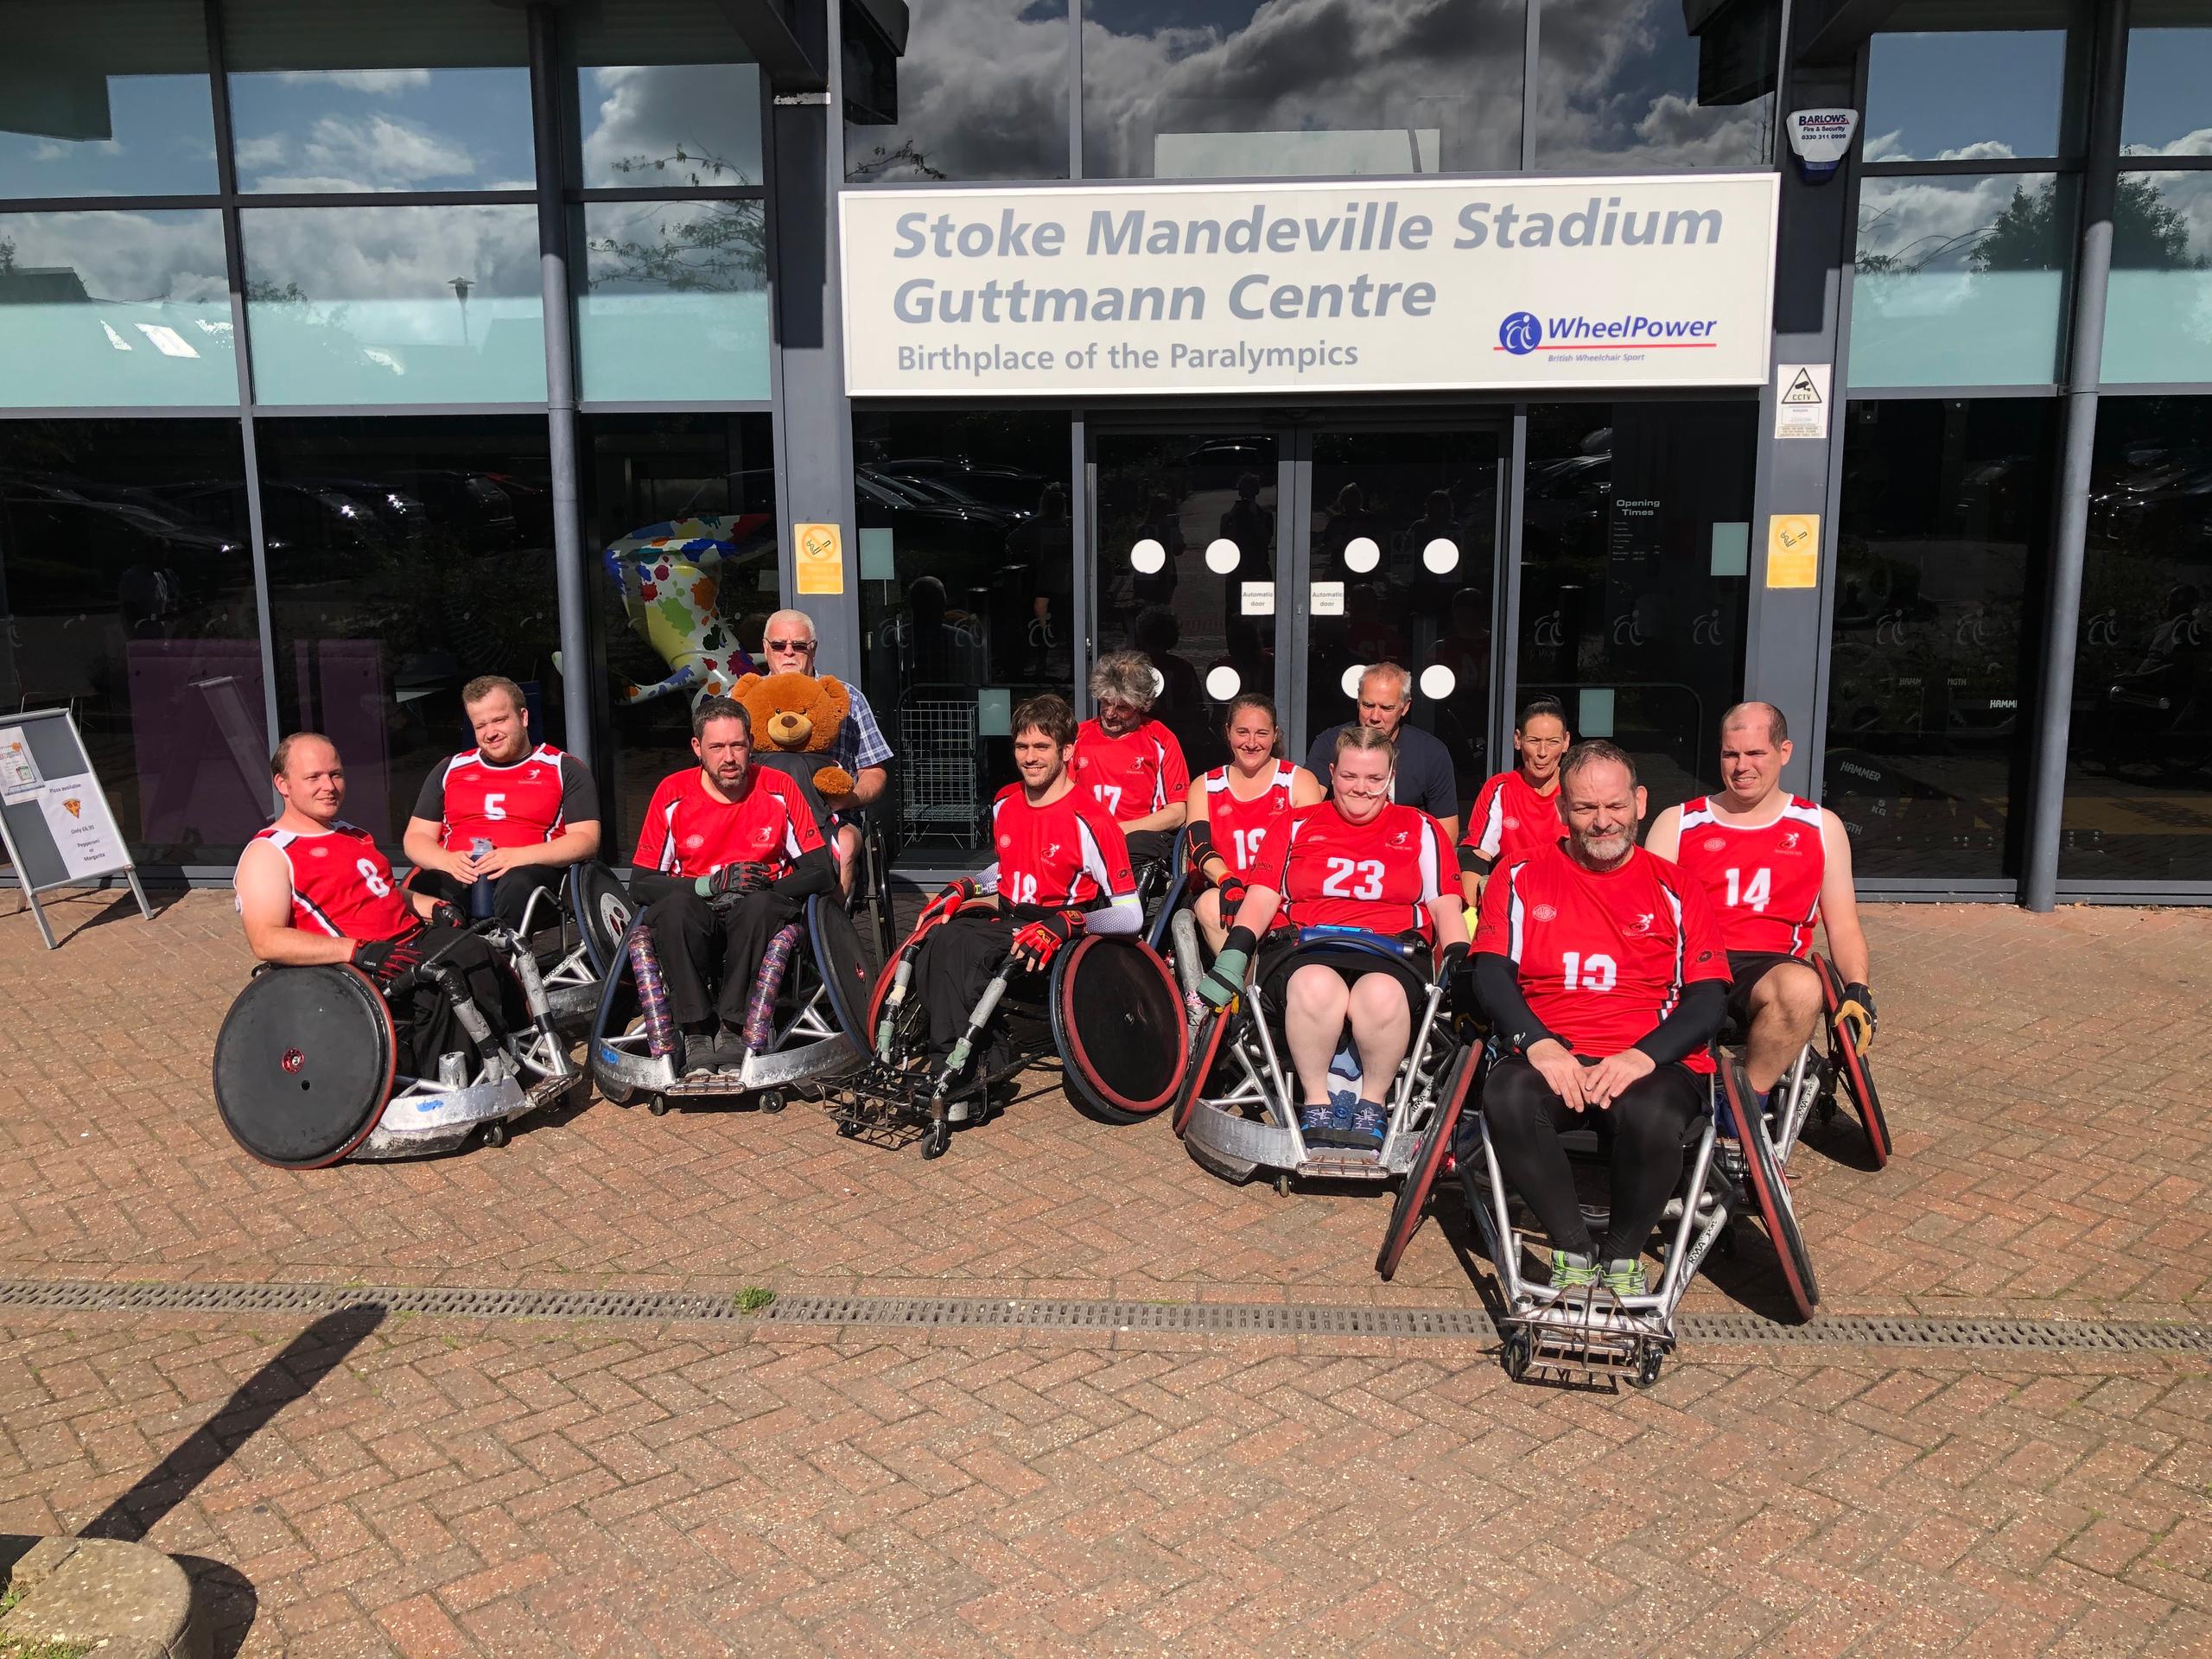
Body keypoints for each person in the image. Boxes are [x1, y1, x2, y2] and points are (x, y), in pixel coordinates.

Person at [1471, 740, 1730, 1300]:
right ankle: (1572, 1248)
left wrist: (1642, 1057)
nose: (1602, 821)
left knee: (1655, 1117)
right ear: (1563, 811)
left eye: (1614, 806)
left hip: (1645, 1059)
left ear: (1639, 802)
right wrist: (1537, 1043)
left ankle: (1620, 1255)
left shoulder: (1678, 886)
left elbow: (1710, 1002)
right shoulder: (1518, 874)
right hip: (1552, 1051)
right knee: (1507, 1096)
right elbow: (1490, 975)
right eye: (1585, 808)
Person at [1198, 725, 1467, 1152]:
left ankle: (1373, 1103)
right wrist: (1233, 956)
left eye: (1375, 779)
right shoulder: (1294, 823)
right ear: (1331, 772)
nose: (1361, 789)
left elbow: (1445, 906)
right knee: (1314, 987)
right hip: (1304, 947)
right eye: (1349, 777)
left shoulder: (1421, 827)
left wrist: (1461, 965)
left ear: (1391, 777)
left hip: (1392, 951)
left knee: (1381, 996)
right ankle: (1316, 1101)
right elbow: (1263, 897)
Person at [910, 694, 1142, 1121]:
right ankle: (970, 1060)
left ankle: (963, 1073)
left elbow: (1131, 916)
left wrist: (1069, 922)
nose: (1029, 758)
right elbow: (1009, 865)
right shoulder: (1004, 801)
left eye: (1041, 747)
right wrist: (966, 884)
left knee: (962, 948)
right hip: (1010, 919)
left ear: (1067, 751)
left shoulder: (1092, 819)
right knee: (935, 937)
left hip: (1060, 936)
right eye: (1022, 746)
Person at [235, 732, 516, 1078]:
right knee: (442, 978)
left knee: (477, 950)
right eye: (313, 777)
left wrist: (432, 906)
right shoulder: (270, 852)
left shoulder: (351, 833)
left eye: (335, 774)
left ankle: (504, 1058)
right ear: (283, 784)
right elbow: (266, 940)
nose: (329, 786)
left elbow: (383, 893)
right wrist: (358, 951)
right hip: (359, 967)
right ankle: (449, 1082)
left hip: (406, 943)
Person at [1644, 701, 1874, 1110]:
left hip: (1767, 968)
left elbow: (1843, 924)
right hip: (1688, 962)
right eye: (1730, 754)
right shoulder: (1677, 822)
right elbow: (1643, 914)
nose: (1741, 767)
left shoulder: (1822, 827)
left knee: (1804, 989)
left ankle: (1745, 1105)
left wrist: (1857, 986)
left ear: (1784, 752)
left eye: (1755, 754)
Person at [628, 695, 837, 1077]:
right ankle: (696, 1030)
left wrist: (765, 887)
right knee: (674, 910)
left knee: (759, 908)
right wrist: (710, 885)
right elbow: (640, 885)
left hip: (757, 909)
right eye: (717, 747)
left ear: (751, 744)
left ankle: (733, 1028)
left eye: (737, 745)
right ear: (697, 749)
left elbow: (822, 872)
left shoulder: (778, 786)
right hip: (695, 911)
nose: (729, 757)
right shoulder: (672, 793)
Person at [402, 675, 601, 931]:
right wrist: (445, 860)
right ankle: (449, 959)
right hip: (459, 873)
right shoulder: (450, 768)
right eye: (480, 725)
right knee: (428, 885)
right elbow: (416, 837)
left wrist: (516, 856)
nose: (490, 733)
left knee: (517, 884)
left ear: (524, 717)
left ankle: (504, 959)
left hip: (528, 876)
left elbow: (586, 840)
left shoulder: (563, 767)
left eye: (499, 720)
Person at [758, 608, 893, 896]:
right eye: (780, 645)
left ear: (813, 650)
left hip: (830, 816)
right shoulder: (743, 698)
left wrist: (846, 799)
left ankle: (831, 929)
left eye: (799, 646)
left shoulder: (847, 698)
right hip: (757, 814)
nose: (789, 653)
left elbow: (874, 770)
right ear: (766, 648)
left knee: (843, 847)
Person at [1180, 693, 1324, 954]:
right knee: (1210, 903)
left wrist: (1264, 895)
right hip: (1225, 890)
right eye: (1242, 732)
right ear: (1228, 732)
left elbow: (1310, 849)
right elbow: (1198, 845)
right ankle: (1239, 987)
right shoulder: (1205, 785)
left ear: (1275, 734)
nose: (1251, 743)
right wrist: (1226, 880)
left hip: (1279, 894)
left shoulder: (1299, 780)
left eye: (1261, 733)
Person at [1302, 662, 1461, 842]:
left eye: (1387, 708)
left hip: (1404, 853)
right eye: (1368, 705)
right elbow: (1307, 809)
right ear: (1358, 701)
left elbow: (1446, 833)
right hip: (1340, 847)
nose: (1375, 717)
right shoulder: (1330, 743)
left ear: (1405, 707)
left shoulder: (1431, 753)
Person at [1071, 649, 1190, 871]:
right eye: (1106, 703)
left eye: (1122, 707)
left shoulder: (1161, 738)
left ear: (1140, 705)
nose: (1110, 713)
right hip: (1084, 839)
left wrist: (1120, 829)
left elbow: (1177, 813)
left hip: (1137, 841)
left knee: (1129, 848)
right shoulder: (1078, 736)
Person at [1459, 697, 1572, 909]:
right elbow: (1476, 855)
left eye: (1553, 742)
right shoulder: (1501, 788)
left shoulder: (1577, 791)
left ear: (1566, 742)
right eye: (1534, 741)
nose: (1542, 752)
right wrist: (1469, 916)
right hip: (1510, 900)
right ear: (1518, 740)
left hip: (1567, 898)